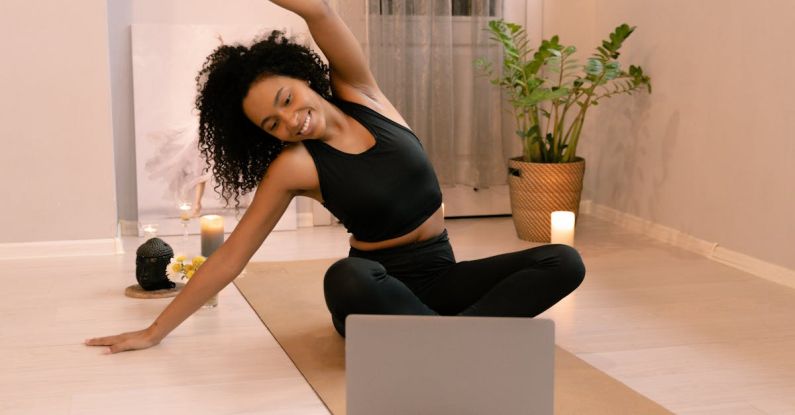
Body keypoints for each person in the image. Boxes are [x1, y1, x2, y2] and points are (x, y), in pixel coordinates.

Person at [86, 0, 585, 354]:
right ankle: (458, 343)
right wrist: (154, 332)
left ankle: (445, 343)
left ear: (302, 78)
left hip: (441, 275)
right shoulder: (294, 166)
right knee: (345, 276)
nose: (291, 120)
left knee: (563, 261)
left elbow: (320, 12)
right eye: (273, 124)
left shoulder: (363, 93)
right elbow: (232, 257)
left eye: (286, 100)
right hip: (376, 291)